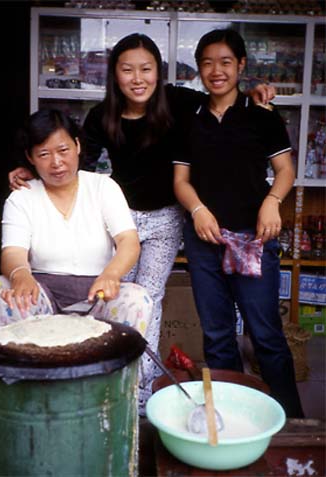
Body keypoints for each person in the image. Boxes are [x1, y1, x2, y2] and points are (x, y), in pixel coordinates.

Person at [8, 33, 274, 411]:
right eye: (127, 69)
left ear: (158, 72)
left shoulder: (180, 102)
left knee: (149, 300)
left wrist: (254, 92)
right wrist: (30, 173)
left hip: (166, 218)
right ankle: (109, 375)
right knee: (115, 299)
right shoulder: (103, 116)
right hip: (120, 220)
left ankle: (142, 392)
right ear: (115, 74)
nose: (138, 78)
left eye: (146, 69)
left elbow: (222, 98)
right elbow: (70, 160)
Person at [173, 28, 304, 417]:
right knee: (216, 337)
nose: (217, 70)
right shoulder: (189, 119)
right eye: (208, 63)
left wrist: (272, 203)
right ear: (198, 68)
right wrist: (198, 210)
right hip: (204, 242)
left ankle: (291, 425)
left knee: (265, 335)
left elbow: (284, 170)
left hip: (254, 237)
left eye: (226, 62)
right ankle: (230, 417)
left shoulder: (261, 117)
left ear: (241, 65)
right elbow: (180, 181)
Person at [0, 109, 152, 345]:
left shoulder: (103, 187)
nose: (56, 162)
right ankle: (26, 379)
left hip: (98, 292)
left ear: (77, 146)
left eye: (63, 150)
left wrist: (112, 274)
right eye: (43, 154)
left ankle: (113, 381)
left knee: (137, 299)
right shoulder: (22, 198)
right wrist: (21, 274)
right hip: (41, 291)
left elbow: (128, 241)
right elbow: (13, 252)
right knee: (3, 291)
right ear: (30, 157)